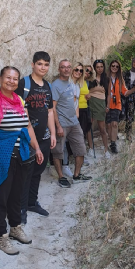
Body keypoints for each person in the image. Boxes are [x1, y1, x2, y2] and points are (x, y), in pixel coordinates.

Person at [0, 66, 43, 256]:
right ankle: (0, 237)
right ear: (0, 79)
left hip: (20, 157)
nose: (11, 81)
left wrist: (36, 148)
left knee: (16, 195)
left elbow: (28, 127)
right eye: (8, 78)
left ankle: (15, 227)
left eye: (15, 79)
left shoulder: (21, 102)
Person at [15, 52, 56, 225]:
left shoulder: (47, 86)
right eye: (40, 64)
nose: (43, 68)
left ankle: (32, 202)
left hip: (44, 137)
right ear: (32, 65)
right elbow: (18, 111)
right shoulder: (24, 84)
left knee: (38, 172)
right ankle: (21, 209)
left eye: (46, 65)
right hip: (26, 138)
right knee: (24, 174)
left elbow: (50, 111)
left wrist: (53, 133)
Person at [51, 59, 92, 187]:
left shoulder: (71, 83)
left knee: (81, 148)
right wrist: (57, 126)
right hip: (62, 123)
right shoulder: (56, 85)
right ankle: (61, 177)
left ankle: (77, 175)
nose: (67, 69)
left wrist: (76, 115)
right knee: (58, 151)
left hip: (74, 122)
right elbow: (53, 107)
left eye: (69, 67)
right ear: (59, 69)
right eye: (63, 67)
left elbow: (74, 101)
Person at [106, 60, 135, 154]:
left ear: (119, 68)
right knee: (109, 125)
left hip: (117, 104)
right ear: (110, 67)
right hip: (107, 104)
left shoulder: (120, 80)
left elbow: (125, 93)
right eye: (113, 65)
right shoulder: (106, 78)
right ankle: (111, 141)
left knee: (114, 124)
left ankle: (113, 144)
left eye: (117, 66)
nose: (114, 67)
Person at [85, 59, 111, 159]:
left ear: (103, 67)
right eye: (97, 67)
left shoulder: (106, 79)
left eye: (101, 67)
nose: (100, 69)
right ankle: (91, 148)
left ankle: (106, 149)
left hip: (100, 104)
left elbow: (108, 94)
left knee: (102, 128)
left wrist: (107, 106)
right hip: (90, 103)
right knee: (89, 127)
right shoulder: (90, 79)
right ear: (94, 68)